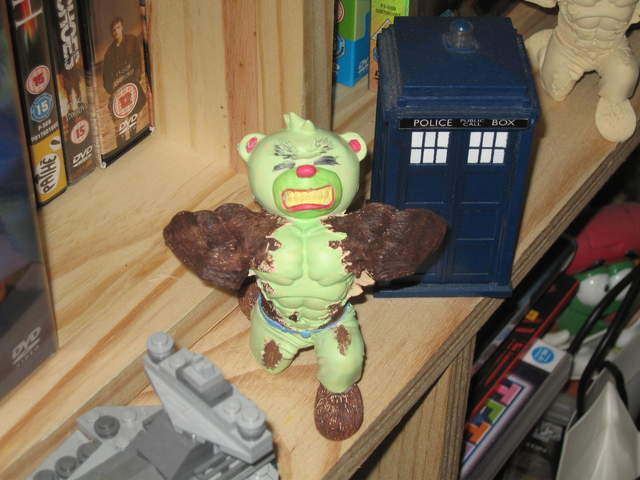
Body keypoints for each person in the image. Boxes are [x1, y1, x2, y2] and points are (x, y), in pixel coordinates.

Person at [102, 16, 146, 147]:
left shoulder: (132, 40)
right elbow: (106, 77)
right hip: (119, 92)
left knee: (133, 118)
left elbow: (138, 60)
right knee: (119, 125)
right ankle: (122, 147)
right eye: (113, 30)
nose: (116, 31)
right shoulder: (109, 53)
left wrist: (136, 78)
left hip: (132, 85)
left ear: (122, 27)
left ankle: (134, 140)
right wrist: (113, 89)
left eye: (118, 28)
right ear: (111, 33)